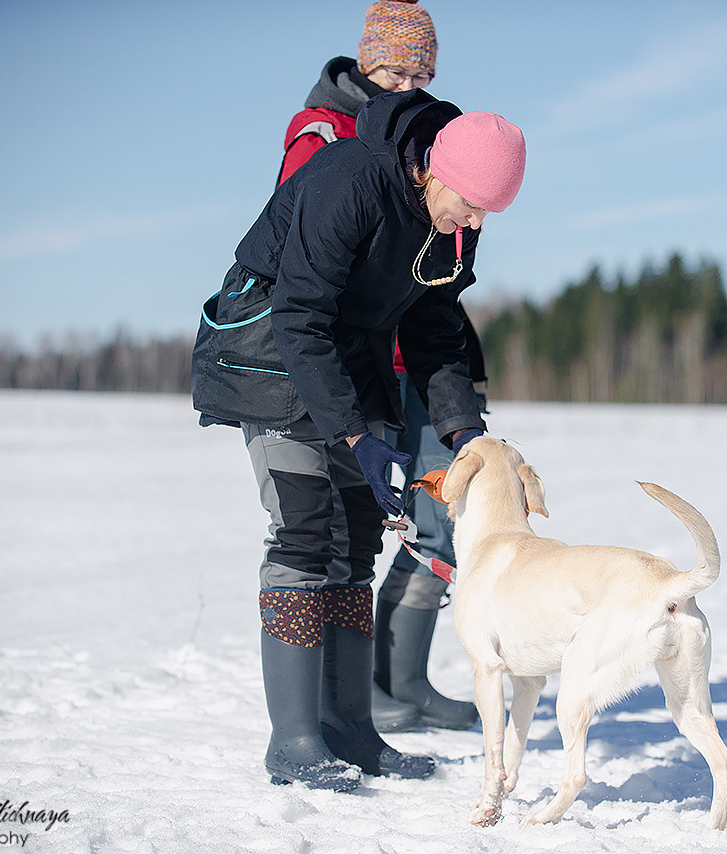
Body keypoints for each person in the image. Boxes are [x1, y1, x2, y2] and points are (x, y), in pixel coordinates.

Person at [192, 88, 526, 792]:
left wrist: (465, 435)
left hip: (356, 356)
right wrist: (353, 434)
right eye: (469, 202)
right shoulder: (350, 179)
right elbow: (301, 311)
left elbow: (435, 333)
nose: (474, 220)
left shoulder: (455, 225)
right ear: (436, 168)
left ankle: (350, 729)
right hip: (273, 348)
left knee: (356, 540)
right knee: (305, 530)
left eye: (488, 212)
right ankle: (294, 739)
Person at [276, 0, 482, 733]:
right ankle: (323, 721)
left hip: (409, 358)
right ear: (365, 62)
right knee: (317, 538)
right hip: (329, 359)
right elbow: (308, 277)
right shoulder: (331, 142)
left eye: (421, 70)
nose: (407, 81)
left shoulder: (442, 150)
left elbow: (434, 293)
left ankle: (391, 688)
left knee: (423, 522)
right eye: (395, 67)